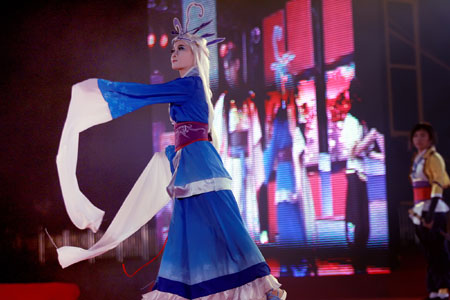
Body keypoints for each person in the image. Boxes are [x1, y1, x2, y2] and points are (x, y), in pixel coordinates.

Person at [55, 3, 286, 300]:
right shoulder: (190, 86)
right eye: (173, 49)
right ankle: (185, 291)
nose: (173, 53)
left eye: (180, 48)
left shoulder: (189, 84)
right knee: (187, 234)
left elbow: (148, 93)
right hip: (189, 164)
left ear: (195, 55)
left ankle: (266, 288)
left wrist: (101, 91)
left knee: (226, 227)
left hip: (200, 165)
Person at [408, 122, 450, 300]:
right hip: (420, 209)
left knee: (438, 252)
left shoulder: (435, 157)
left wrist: (431, 214)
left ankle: (443, 290)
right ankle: (433, 290)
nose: (419, 139)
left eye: (423, 136)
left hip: (432, 209)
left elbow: (438, 185)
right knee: (429, 253)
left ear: (430, 138)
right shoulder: (418, 158)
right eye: (416, 136)